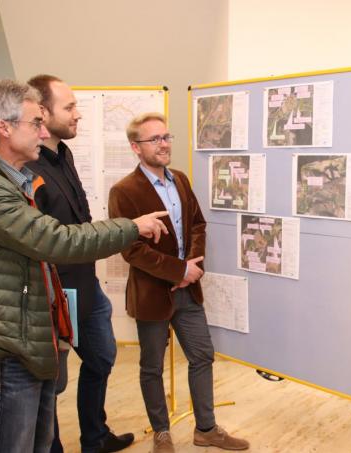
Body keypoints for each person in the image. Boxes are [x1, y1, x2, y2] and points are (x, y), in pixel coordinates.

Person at [0, 79, 169, 453]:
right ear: (4, 127)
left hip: (27, 331)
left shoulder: (14, 179)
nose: (43, 131)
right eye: (35, 123)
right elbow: (56, 240)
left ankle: (94, 436)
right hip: (7, 343)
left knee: (38, 441)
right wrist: (132, 226)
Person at [108, 113, 249, 452]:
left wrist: (192, 266)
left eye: (166, 137)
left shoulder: (181, 180)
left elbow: (198, 224)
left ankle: (206, 429)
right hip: (152, 294)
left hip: (188, 289)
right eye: (154, 139)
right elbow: (130, 249)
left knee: (202, 356)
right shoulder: (123, 191)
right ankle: (162, 433)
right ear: (136, 147)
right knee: (152, 367)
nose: (164, 144)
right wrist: (177, 271)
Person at [26, 74, 134, 453]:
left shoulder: (64, 154)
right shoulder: (27, 167)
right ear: (42, 112)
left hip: (86, 285)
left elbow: (79, 215)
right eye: (69, 107)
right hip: (53, 294)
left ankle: (95, 437)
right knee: (51, 383)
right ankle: (51, 447)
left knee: (102, 358)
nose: (78, 114)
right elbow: (41, 241)